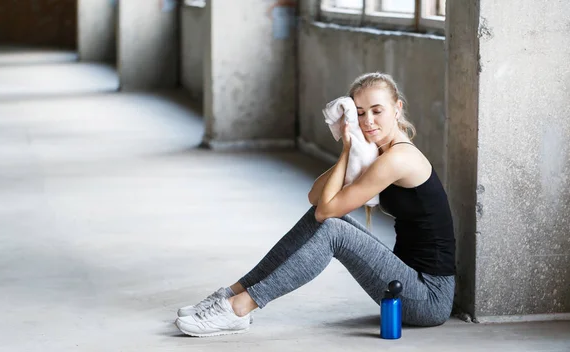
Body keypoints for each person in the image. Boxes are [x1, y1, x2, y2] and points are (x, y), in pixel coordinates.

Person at [175, 72, 456, 337]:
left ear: (397, 109)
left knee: (334, 229)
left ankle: (241, 307)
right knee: (323, 220)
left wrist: (347, 149)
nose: (368, 120)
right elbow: (316, 199)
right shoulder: (378, 154)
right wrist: (347, 150)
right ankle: (232, 295)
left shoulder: (398, 159)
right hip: (405, 278)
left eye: (377, 110)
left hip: (429, 296)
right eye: (360, 113)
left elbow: (327, 210)